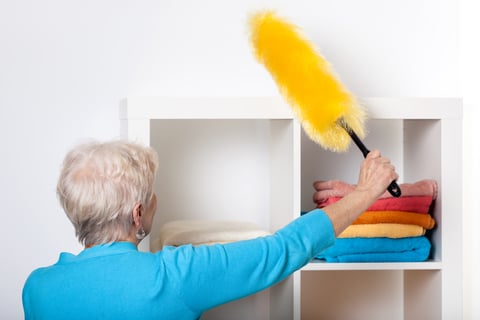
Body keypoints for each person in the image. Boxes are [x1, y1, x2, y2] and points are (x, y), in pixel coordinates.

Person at [22, 139, 398, 320]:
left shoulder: (36, 289)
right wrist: (366, 191)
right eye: (151, 196)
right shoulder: (175, 276)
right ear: (138, 214)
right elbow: (284, 249)